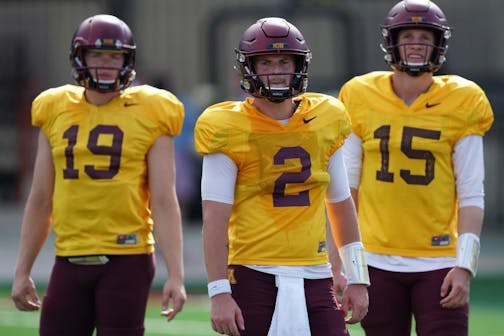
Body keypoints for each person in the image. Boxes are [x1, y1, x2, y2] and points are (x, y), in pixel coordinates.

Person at [11, 14, 187, 335]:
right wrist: (22, 271)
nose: (106, 63)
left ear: (127, 60)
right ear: (80, 58)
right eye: (97, 54)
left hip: (128, 256)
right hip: (70, 254)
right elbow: (40, 199)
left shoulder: (153, 110)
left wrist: (176, 274)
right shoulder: (54, 108)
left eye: (114, 55)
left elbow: (163, 199)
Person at [194, 17, 370, 336]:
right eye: (266, 62)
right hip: (252, 272)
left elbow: (342, 206)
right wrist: (218, 291)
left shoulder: (324, 120)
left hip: (315, 271)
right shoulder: (226, 127)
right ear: (250, 68)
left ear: (299, 66)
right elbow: (214, 218)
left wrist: (357, 275)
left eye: (284, 61)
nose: (276, 70)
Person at [339, 1, 494, 335]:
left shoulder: (464, 99)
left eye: (425, 36)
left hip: (439, 259)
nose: (415, 44)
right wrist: (347, 264)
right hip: (375, 259)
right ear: (392, 42)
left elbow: (471, 191)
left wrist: (465, 265)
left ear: (439, 44)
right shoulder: (359, 94)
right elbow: (345, 189)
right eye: (407, 35)